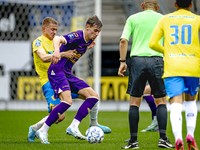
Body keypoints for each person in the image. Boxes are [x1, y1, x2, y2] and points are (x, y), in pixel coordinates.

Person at [27, 17, 111, 143]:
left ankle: (79, 125)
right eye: (95, 31)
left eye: (99, 32)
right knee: (65, 105)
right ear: (87, 27)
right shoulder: (76, 35)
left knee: (93, 97)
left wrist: (87, 47)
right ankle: (41, 130)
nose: (97, 34)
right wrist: (57, 52)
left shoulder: (88, 40)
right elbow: (57, 40)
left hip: (66, 74)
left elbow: (74, 49)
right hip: (55, 74)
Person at [118, 0, 175, 149]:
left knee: (134, 102)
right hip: (157, 60)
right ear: (157, 7)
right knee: (161, 101)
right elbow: (170, 41)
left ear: (142, 6)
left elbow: (123, 40)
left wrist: (122, 61)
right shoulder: (164, 19)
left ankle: (133, 141)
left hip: (137, 61)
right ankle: (163, 139)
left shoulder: (133, 18)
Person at [149, 0, 199, 149]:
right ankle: (190, 134)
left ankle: (178, 138)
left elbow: (152, 43)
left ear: (175, 4)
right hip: (193, 66)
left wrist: (169, 52)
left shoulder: (165, 19)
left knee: (175, 103)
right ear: (190, 5)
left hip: (173, 66)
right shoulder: (197, 19)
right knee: (191, 101)